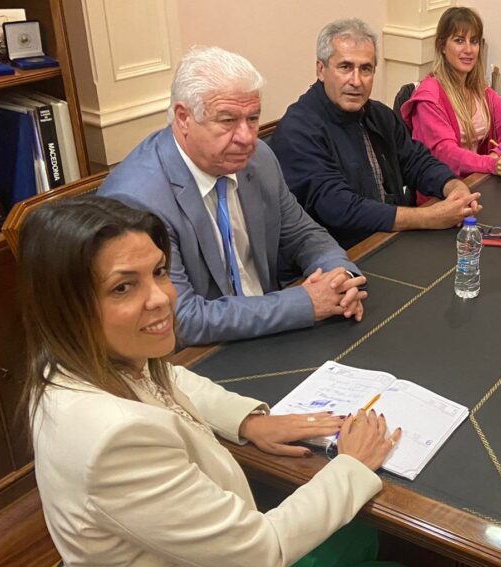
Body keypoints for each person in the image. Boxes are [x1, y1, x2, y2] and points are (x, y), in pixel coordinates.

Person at [19, 196, 402, 567]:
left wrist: (249, 421)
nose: (161, 298)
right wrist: (352, 464)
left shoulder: (70, 360)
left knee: (359, 533)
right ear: (65, 308)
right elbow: (260, 552)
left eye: (158, 272)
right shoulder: (115, 439)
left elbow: (169, 375)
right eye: (123, 287)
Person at [98, 46, 366, 347]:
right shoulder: (138, 200)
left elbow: (304, 235)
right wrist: (305, 303)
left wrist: (341, 277)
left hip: (272, 331)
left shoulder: (258, 159)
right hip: (200, 353)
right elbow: (179, 318)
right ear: (183, 118)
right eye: (227, 121)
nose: (247, 137)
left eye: (253, 118)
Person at [270, 18, 482, 249]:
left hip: (389, 241)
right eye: (345, 67)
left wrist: (453, 186)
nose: (356, 81)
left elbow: (416, 161)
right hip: (338, 257)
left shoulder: (379, 114)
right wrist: (429, 217)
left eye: (366, 69)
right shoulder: (298, 129)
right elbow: (339, 207)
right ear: (321, 70)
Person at [400, 6, 501, 178]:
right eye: (459, 40)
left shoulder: (480, 91)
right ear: (442, 46)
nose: (469, 49)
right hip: (444, 188)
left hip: (477, 179)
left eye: (474, 41)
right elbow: (447, 154)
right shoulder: (429, 97)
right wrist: (489, 163)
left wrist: (497, 153)